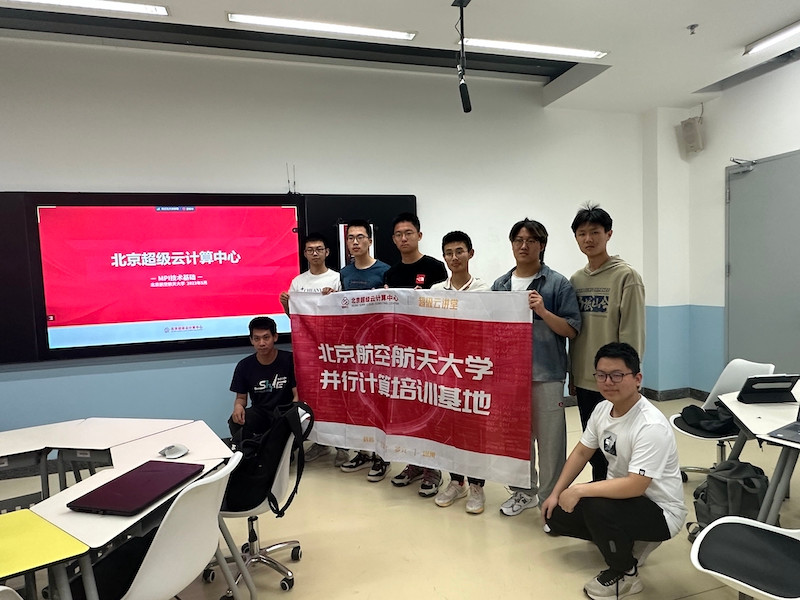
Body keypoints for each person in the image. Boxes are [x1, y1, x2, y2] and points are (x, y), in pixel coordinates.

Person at [542, 342, 686, 600]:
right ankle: (626, 539)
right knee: (556, 515)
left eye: (617, 375)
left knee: (595, 505)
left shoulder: (650, 425)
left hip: (661, 510)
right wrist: (556, 493)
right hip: (623, 500)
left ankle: (626, 574)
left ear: (637, 379)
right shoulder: (602, 409)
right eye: (602, 375)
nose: (608, 382)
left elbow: (635, 485)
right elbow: (582, 452)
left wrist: (580, 490)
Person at [491, 218, 581, 516]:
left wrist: (542, 310)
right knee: (517, 439)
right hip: (510, 377)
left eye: (531, 240)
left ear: (542, 245)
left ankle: (550, 501)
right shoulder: (501, 285)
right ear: (512, 244)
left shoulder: (557, 283)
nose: (524, 245)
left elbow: (571, 330)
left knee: (551, 443)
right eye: (518, 240)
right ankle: (524, 492)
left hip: (546, 375)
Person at [569, 204, 645, 482]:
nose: (588, 239)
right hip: (586, 379)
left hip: (615, 379)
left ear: (608, 234)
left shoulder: (626, 276)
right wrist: (573, 374)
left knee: (619, 445)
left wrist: (629, 377)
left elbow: (632, 332)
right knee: (594, 445)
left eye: (595, 232)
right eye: (582, 234)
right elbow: (574, 333)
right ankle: (600, 488)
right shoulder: (576, 280)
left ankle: (619, 491)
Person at [385, 212, 448, 497]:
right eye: (398, 234)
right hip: (402, 353)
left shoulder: (435, 268)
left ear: (419, 235)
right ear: (393, 239)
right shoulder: (391, 274)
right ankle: (413, 464)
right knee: (408, 411)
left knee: (430, 410)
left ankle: (433, 469)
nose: (404, 238)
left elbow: (445, 306)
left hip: (431, 352)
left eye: (408, 233)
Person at [430, 230, 490, 514]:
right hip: (445, 368)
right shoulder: (435, 291)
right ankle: (456, 481)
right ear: (444, 257)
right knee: (448, 425)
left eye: (459, 251)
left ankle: (477, 485)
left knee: (473, 427)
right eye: (449, 253)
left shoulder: (485, 290)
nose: (454, 257)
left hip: (474, 370)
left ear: (470, 253)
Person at [337, 219, 393, 481]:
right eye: (351, 238)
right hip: (354, 348)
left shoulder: (385, 270)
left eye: (360, 237)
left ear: (370, 241)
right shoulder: (344, 274)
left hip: (379, 348)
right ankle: (363, 451)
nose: (355, 242)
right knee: (358, 400)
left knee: (379, 402)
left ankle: (383, 457)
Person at [279, 233, 341, 463]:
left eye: (319, 249)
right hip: (308, 350)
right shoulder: (298, 282)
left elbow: (343, 315)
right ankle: (320, 442)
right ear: (305, 254)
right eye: (310, 250)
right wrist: (286, 306)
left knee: (336, 394)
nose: (315, 253)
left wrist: (332, 299)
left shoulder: (337, 278)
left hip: (333, 348)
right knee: (313, 395)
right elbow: (295, 318)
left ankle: (341, 446)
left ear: (327, 252)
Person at [228, 316, 298, 440]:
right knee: (236, 420)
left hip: (285, 412)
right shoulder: (244, 365)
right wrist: (238, 407)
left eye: (266, 337)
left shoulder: (290, 360)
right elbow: (241, 398)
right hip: (261, 413)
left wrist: (291, 415)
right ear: (251, 340)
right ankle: (249, 448)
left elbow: (297, 395)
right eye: (257, 339)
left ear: (275, 337)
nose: (261, 343)